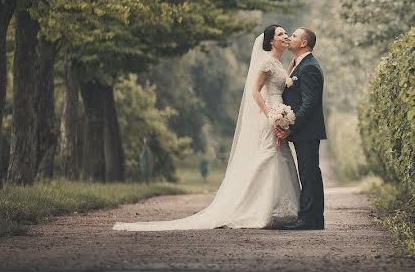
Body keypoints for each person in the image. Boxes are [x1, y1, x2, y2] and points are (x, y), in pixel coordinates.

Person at [113, 25, 300, 231]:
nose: (286, 36)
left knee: (280, 155)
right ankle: (256, 208)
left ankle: (279, 209)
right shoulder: (266, 63)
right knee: (268, 156)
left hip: (279, 110)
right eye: (281, 34)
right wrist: (270, 115)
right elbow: (255, 92)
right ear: (271, 41)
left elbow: (282, 81)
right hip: (270, 114)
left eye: (285, 33)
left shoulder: (279, 64)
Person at [274, 27, 327, 230]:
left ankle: (308, 219)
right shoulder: (299, 65)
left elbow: (309, 103)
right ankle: (315, 219)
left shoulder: (309, 67)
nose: (290, 38)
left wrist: (291, 127)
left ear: (304, 43)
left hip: (307, 130)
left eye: (294, 36)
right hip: (305, 130)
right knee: (309, 172)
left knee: (309, 172)